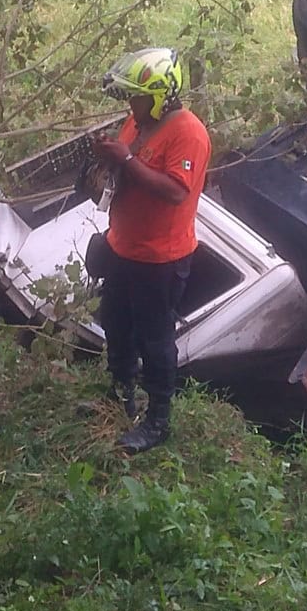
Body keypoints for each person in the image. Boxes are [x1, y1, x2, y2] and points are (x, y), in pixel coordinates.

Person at [93, 47, 211, 454]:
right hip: (122, 247)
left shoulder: (188, 133)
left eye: (137, 97)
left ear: (161, 94)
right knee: (114, 320)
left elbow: (175, 192)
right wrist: (107, 164)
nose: (131, 104)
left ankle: (158, 419)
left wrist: (126, 160)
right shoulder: (136, 122)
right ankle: (121, 388)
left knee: (156, 337)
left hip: (160, 258)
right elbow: (126, 169)